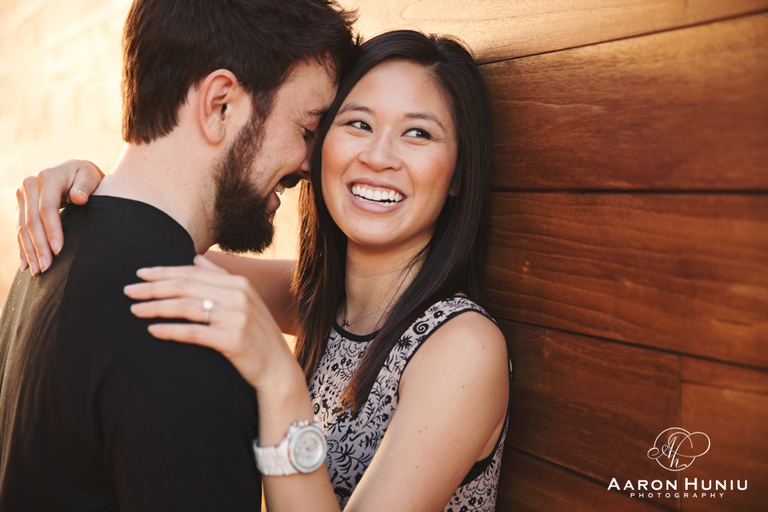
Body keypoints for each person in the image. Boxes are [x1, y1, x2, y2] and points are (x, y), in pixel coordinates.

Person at [15, 31, 510, 511]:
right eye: (357, 124)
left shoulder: (463, 347)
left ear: (458, 174)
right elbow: (160, 255)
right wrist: (95, 195)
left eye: (418, 133)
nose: (378, 156)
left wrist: (279, 381)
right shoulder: (318, 299)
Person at [0, 0, 355, 510]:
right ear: (220, 105)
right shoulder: (185, 325)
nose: (308, 167)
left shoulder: (51, 249)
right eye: (306, 129)